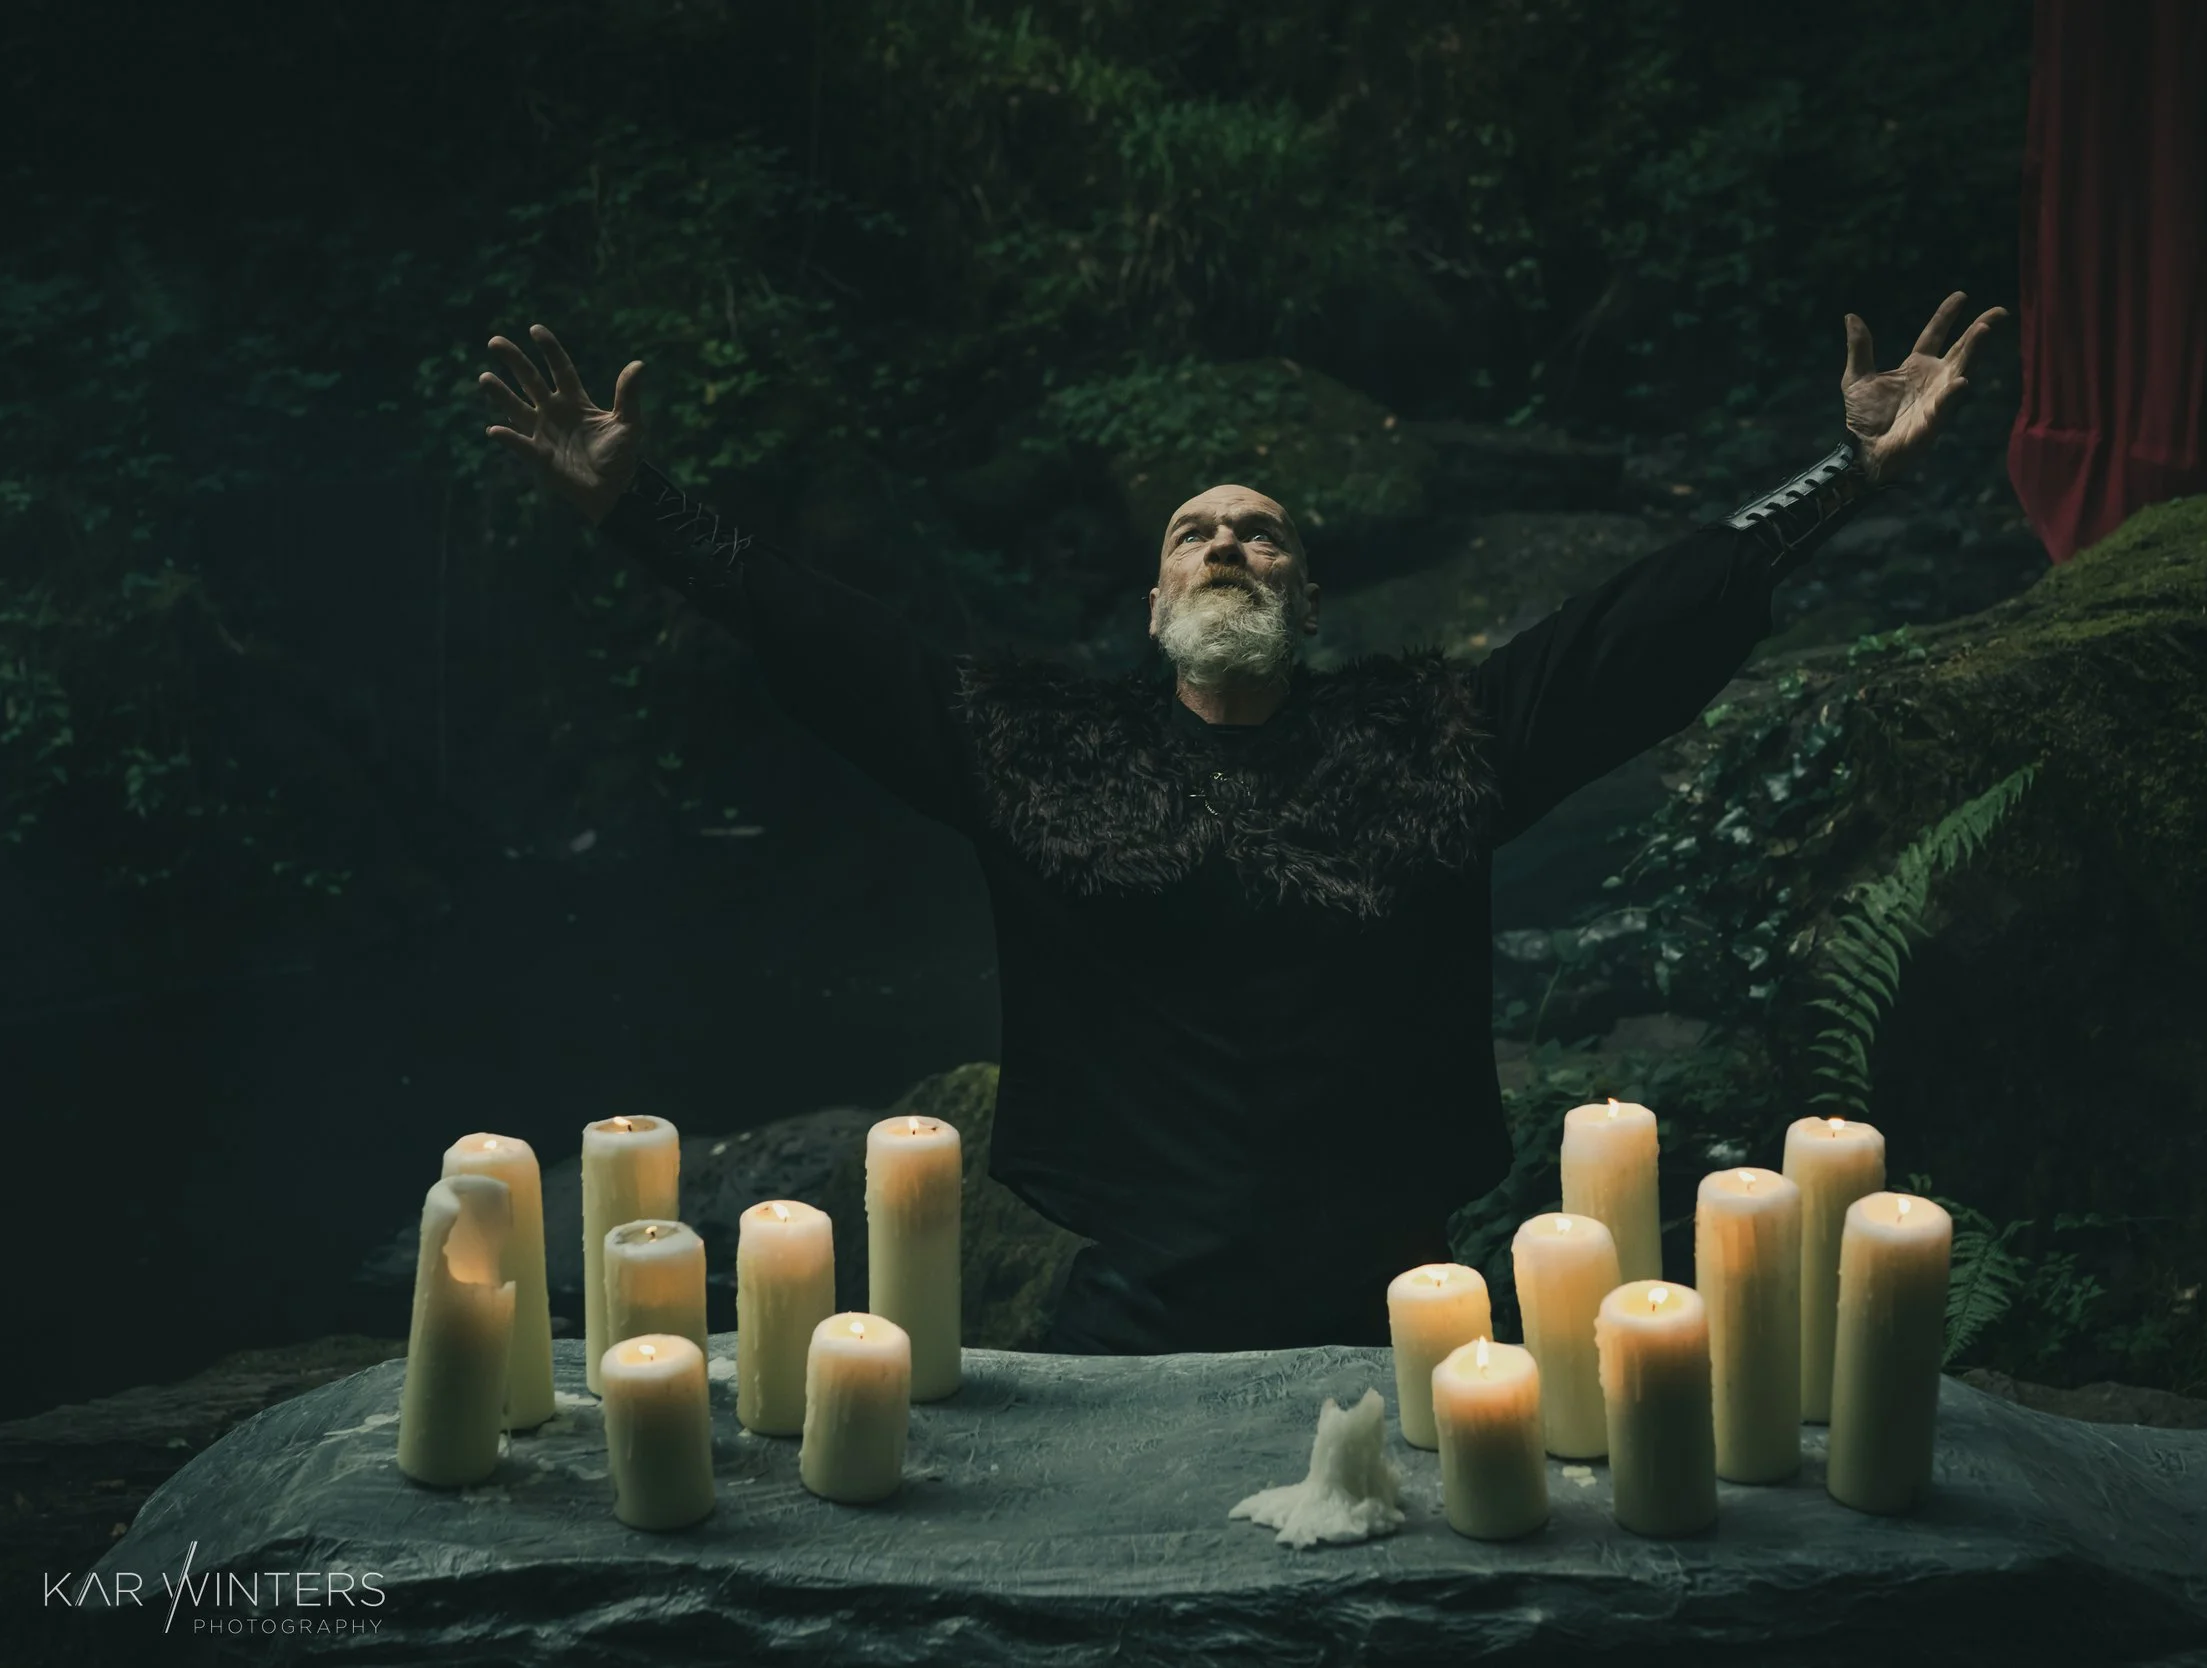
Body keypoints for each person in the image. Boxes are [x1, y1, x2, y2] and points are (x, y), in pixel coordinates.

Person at [479, 294, 2005, 1353]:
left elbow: (1636, 635)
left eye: (1262, 531)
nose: (1229, 541)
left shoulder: (1431, 742)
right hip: (1139, 1299)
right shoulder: (1039, 753)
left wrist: (1850, 473)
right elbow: (819, 634)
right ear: (1155, 605)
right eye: (1196, 532)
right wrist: (640, 506)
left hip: (1405, 1296)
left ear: (1303, 594)